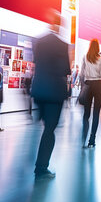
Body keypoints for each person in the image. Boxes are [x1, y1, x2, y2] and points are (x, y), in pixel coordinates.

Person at [30, 10, 70, 180]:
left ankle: (40, 164)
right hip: (54, 93)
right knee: (50, 130)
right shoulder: (62, 45)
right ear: (58, 24)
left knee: (45, 126)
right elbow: (65, 70)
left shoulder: (38, 41)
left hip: (39, 90)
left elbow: (36, 63)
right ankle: (41, 167)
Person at [79, 39, 101, 148]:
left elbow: (82, 73)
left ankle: (83, 137)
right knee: (96, 114)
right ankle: (92, 139)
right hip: (99, 85)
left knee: (86, 114)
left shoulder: (85, 57)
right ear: (98, 47)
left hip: (88, 85)